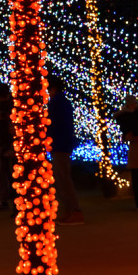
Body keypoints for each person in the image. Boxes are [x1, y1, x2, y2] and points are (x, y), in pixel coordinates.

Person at [47, 73, 84, 224]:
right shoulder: (63, 102)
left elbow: (52, 123)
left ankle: (75, 211)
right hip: (63, 144)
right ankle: (70, 211)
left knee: (63, 179)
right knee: (62, 178)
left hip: (59, 144)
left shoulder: (56, 102)